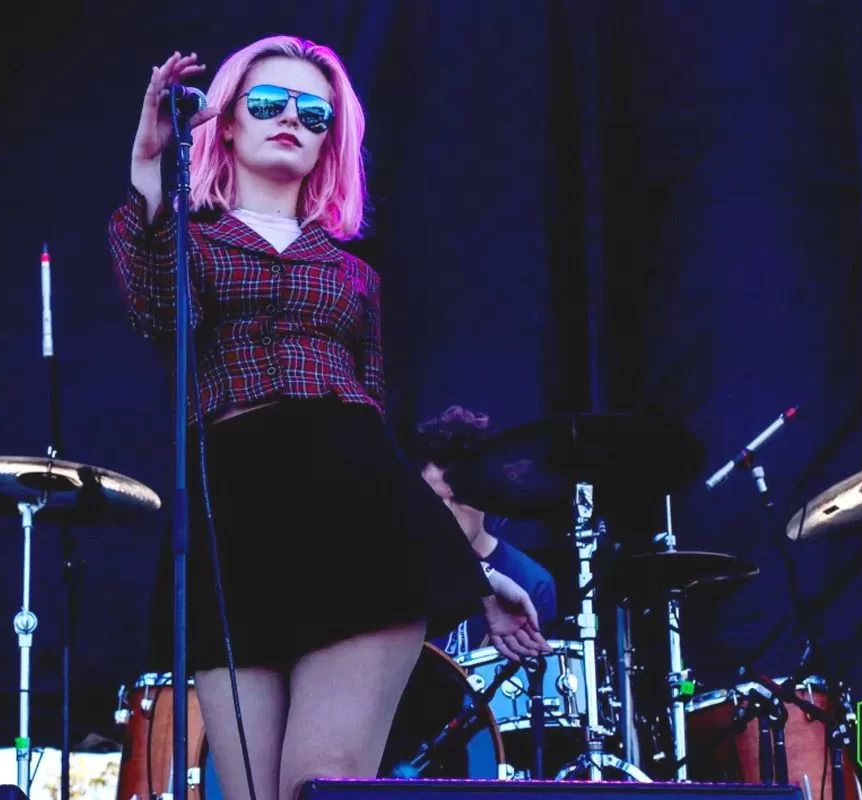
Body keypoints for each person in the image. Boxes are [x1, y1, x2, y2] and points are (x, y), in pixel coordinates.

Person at [108, 37, 550, 800]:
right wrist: (151, 171)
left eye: (314, 113)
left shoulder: (355, 275)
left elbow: (370, 437)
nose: (291, 119)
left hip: (358, 529)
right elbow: (154, 313)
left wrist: (475, 573)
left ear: (328, 142)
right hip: (237, 526)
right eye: (268, 102)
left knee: (319, 784)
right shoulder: (187, 241)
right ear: (226, 124)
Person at [415, 405, 559, 659]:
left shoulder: (533, 582)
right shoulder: (405, 568)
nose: (446, 512)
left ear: (486, 494)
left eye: (460, 497)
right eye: (435, 499)